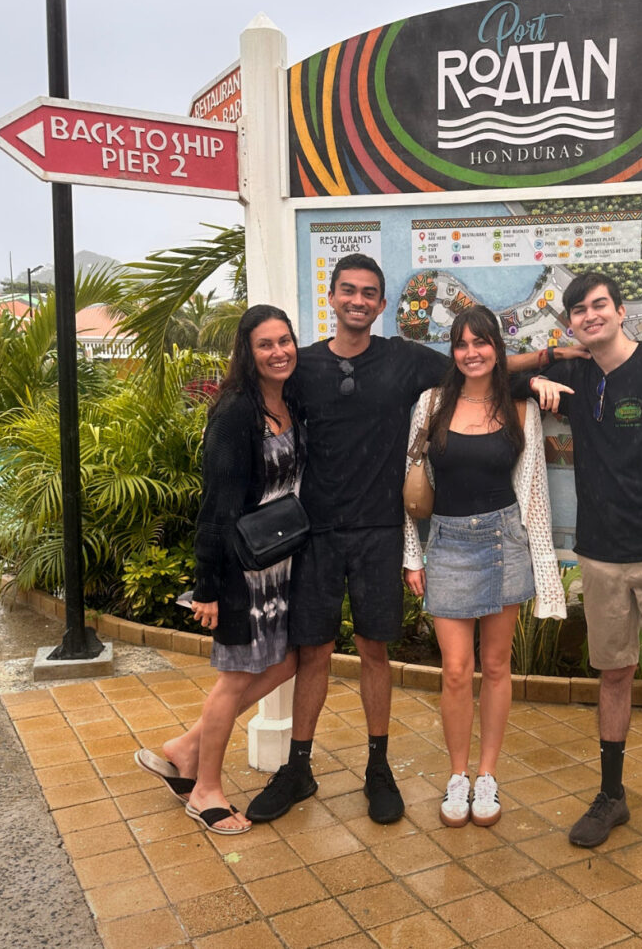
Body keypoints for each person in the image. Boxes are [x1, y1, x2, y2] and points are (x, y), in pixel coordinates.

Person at [245, 254, 572, 825]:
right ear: (333, 295)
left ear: (380, 301)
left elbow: (480, 367)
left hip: (379, 532)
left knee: (376, 650)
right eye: (349, 291)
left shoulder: (402, 360)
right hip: (315, 532)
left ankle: (379, 768)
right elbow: (261, 395)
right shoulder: (304, 365)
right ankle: (298, 767)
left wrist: (540, 364)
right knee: (313, 653)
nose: (358, 300)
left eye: (370, 292)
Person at [538, 271, 642, 868]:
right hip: (600, 555)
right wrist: (545, 364)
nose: (590, 316)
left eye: (599, 306)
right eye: (579, 311)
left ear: (620, 309)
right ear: (572, 325)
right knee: (613, 678)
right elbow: (480, 373)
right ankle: (612, 796)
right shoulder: (578, 375)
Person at [135, 305, 305, 834]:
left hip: (278, 562)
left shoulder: (290, 401)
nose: (278, 351)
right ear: (247, 352)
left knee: (288, 660)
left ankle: (187, 746)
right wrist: (206, 588)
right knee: (234, 679)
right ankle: (204, 789)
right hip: (240, 568)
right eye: (265, 344)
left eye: (285, 340)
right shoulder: (235, 411)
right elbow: (217, 504)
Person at [402, 306, 566, 827]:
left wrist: (543, 566)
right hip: (447, 544)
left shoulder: (520, 407)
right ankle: (457, 775)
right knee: (455, 671)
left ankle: (488, 776)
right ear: (452, 352)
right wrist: (413, 553)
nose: (472, 352)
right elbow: (411, 482)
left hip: (504, 542)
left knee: (496, 668)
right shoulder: (429, 403)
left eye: (482, 342)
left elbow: (535, 492)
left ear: (498, 347)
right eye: (461, 344)